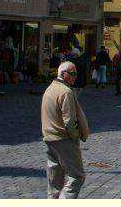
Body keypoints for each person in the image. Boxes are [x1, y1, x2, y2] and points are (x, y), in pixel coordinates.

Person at [41, 61, 90, 199]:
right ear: (63, 74)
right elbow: (69, 121)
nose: (75, 77)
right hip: (64, 140)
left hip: (50, 139)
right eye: (72, 73)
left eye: (76, 73)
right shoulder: (66, 92)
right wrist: (75, 137)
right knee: (77, 176)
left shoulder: (49, 89)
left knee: (54, 182)